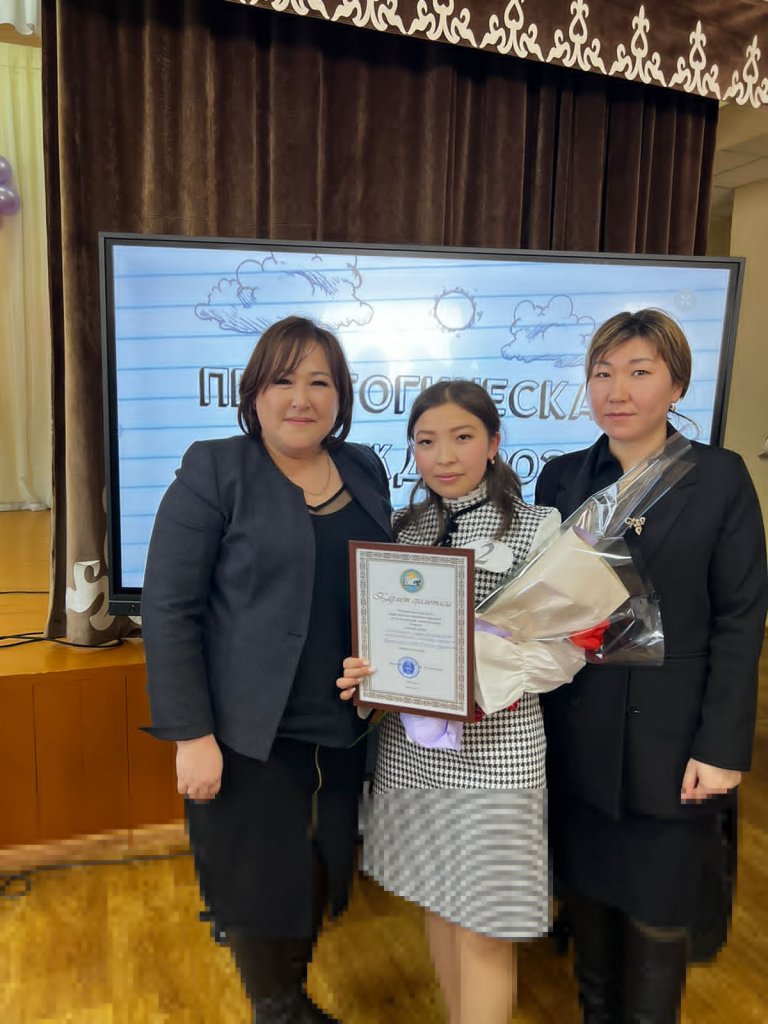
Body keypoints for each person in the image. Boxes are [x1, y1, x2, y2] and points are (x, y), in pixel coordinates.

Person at [141, 315, 392, 1023]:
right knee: (257, 889)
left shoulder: (364, 468)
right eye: (283, 380)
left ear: (341, 396)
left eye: (319, 382)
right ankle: (276, 1009)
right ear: (254, 392)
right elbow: (168, 609)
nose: (301, 398)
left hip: (342, 727)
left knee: (320, 871)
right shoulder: (216, 468)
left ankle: (292, 998)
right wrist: (191, 736)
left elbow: (378, 586)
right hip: (247, 736)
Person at [534, 308, 768, 1023]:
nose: (617, 390)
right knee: (591, 917)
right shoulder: (563, 479)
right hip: (580, 735)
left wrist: (722, 748)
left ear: (677, 385)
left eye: (639, 372)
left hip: (673, 746)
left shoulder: (718, 478)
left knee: (658, 922)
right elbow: (541, 607)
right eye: (602, 373)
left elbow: (740, 620)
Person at [338, 380, 574, 1024]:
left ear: (494, 443)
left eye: (462, 437)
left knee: (486, 925)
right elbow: (382, 634)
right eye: (426, 441)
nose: (443, 456)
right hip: (411, 750)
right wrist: (368, 676)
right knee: (438, 900)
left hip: (497, 752)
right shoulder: (400, 527)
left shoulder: (536, 527)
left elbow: (566, 649)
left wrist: (479, 680)